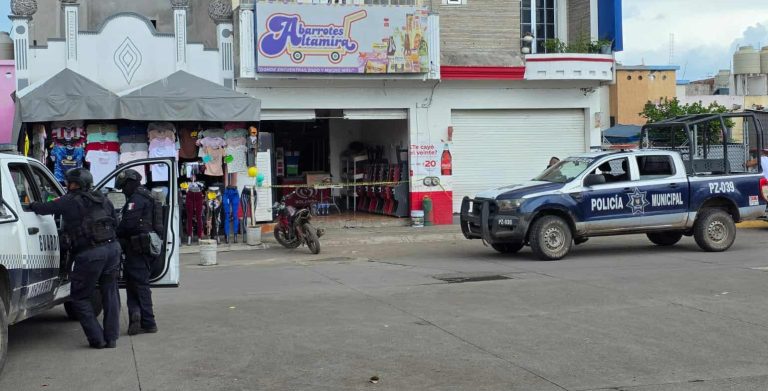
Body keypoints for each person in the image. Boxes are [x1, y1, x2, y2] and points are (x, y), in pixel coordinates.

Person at [30, 168, 121, 349]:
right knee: (110, 294)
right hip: (112, 249)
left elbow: (44, 209)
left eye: (70, 183)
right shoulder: (103, 199)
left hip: (90, 254)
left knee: (79, 297)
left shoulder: (69, 201)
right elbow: (115, 222)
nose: (68, 186)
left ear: (74, 184)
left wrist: (30, 205)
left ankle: (97, 339)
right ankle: (111, 339)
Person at [115, 169, 158, 336]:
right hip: (140, 247)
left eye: (124, 186)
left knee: (140, 284)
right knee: (132, 284)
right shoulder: (145, 196)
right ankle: (136, 314)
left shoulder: (137, 199)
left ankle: (149, 321)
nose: (123, 190)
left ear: (131, 183)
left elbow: (129, 224)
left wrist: (116, 233)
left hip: (138, 248)